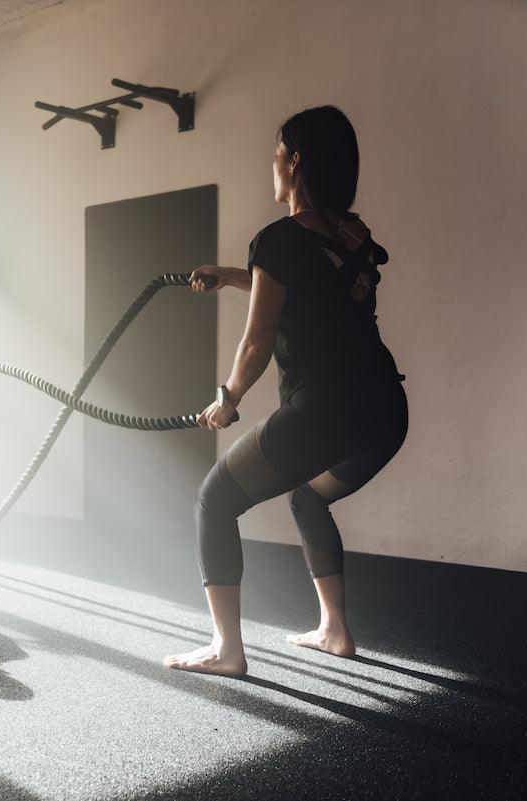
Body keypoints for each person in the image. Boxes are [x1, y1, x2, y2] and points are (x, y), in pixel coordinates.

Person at [171, 105, 408, 676]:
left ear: (294, 160)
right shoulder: (354, 231)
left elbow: (259, 338)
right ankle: (334, 630)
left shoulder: (276, 239)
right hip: (384, 409)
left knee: (214, 500)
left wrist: (226, 399)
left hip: (326, 410)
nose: (272, 162)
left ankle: (227, 650)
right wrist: (228, 275)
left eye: (277, 151)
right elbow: (307, 287)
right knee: (308, 497)